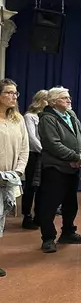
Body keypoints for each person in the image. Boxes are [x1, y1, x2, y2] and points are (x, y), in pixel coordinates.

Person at [38, 87, 81, 254]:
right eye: (64, 98)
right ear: (53, 102)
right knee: (50, 205)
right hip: (55, 168)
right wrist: (75, 157)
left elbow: (80, 137)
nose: (69, 100)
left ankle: (68, 232)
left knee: (71, 204)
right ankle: (48, 238)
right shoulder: (47, 118)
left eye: (69, 97)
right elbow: (53, 144)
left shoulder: (71, 115)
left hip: (72, 167)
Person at [0, 78, 30, 277]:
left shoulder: (17, 118)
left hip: (9, 178)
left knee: (1, 220)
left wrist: (18, 172)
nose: (13, 96)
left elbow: (24, 149)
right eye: (9, 92)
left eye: (15, 93)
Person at [22, 89, 48, 230]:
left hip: (45, 155)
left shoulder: (46, 116)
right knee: (31, 186)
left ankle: (39, 215)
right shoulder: (30, 116)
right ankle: (27, 216)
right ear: (40, 101)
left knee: (43, 187)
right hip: (34, 154)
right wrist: (44, 151)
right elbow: (32, 138)